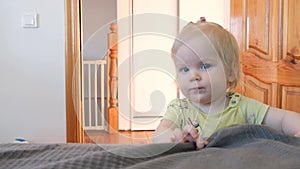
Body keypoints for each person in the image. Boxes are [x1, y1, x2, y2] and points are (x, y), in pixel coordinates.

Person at [153, 17, 300, 149]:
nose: (193, 76)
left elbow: (283, 120)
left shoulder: (243, 107)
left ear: (229, 72)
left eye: (204, 66)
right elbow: (162, 131)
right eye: (184, 69)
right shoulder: (180, 109)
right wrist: (173, 138)